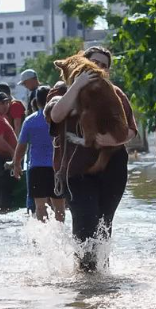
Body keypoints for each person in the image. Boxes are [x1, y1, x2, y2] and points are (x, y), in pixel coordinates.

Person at [48, 46, 138, 272]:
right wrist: (78, 84)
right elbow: (56, 115)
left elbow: (131, 131)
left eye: (104, 65)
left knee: (104, 223)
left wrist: (109, 141)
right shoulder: (61, 91)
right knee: (86, 220)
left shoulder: (114, 92)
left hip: (113, 168)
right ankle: (84, 275)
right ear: (82, 62)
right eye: (94, 63)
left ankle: (101, 273)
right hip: (77, 170)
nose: (99, 68)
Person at [9, 85, 66, 222]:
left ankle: (42, 237)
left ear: (36, 101)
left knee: (40, 207)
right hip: (57, 168)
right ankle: (60, 236)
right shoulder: (61, 118)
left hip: (37, 169)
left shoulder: (30, 121)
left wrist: (16, 164)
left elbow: (21, 146)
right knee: (59, 207)